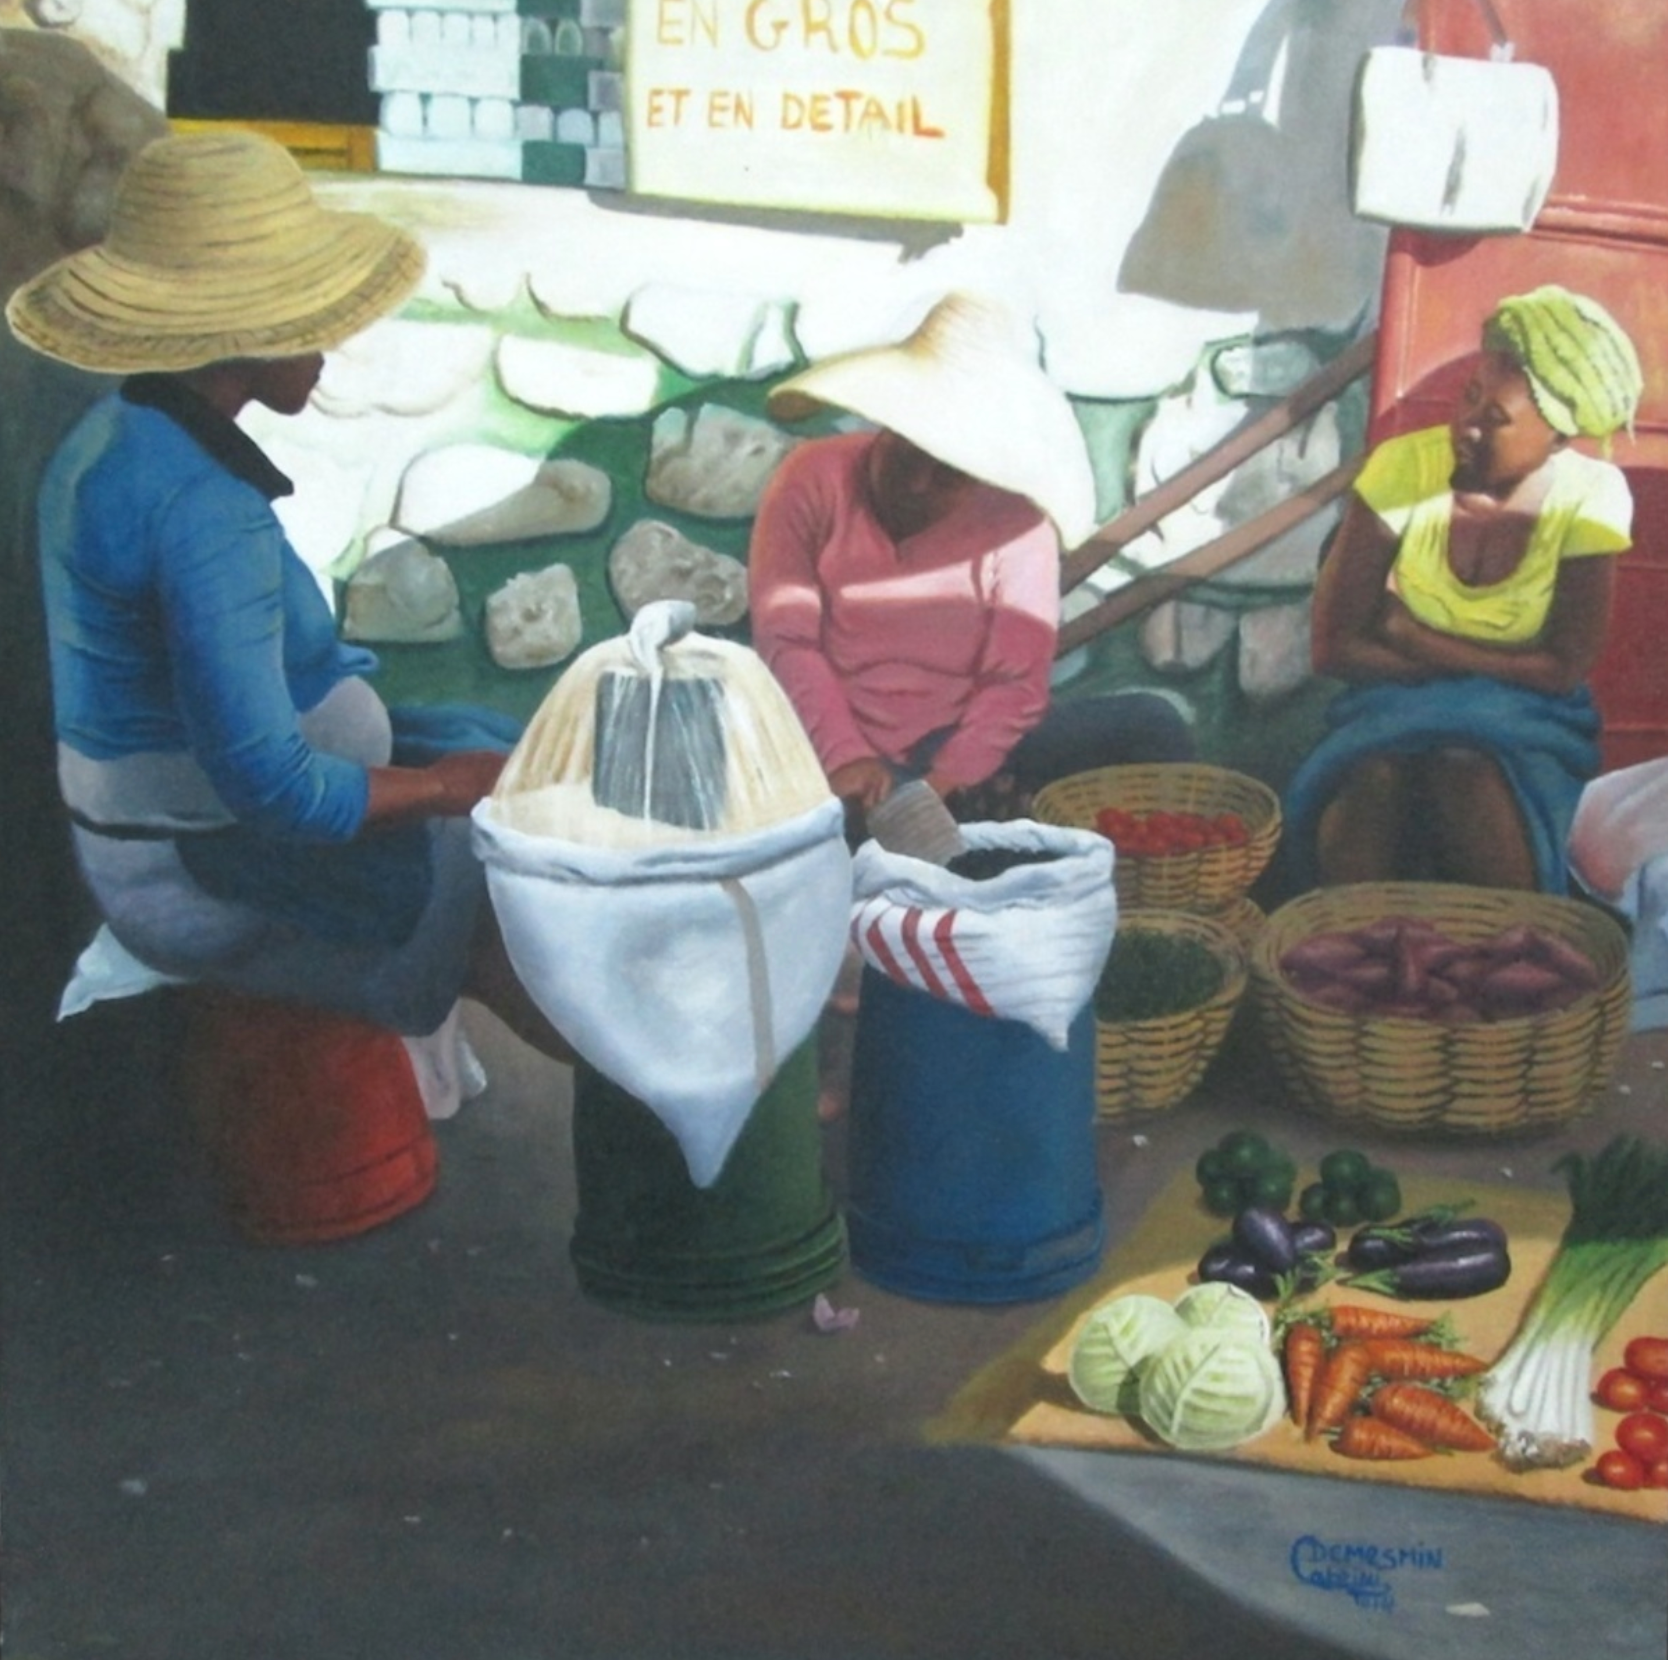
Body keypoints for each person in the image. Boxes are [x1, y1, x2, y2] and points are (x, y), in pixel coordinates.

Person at [6, 130, 570, 1061]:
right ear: (242, 334)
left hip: (185, 811)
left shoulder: (117, 436)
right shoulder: (200, 511)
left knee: (511, 747)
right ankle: (649, 1095)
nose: (327, 346)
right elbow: (274, 789)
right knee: (504, 868)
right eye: (306, 319)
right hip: (196, 859)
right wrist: (441, 789)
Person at [749, 291, 1193, 839]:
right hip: (825, 745)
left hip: (956, 751)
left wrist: (947, 779)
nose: (918, 484)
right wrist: (844, 756)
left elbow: (1015, 682)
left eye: (948, 474)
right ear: (889, 425)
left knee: (1151, 725)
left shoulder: (1018, 522)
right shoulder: (812, 476)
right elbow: (786, 639)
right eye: (908, 455)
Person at [1283, 285, 1643, 893]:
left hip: (1531, 724)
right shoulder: (1403, 467)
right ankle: (1352, 943)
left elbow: (1561, 670)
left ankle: (1505, 942)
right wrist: (1478, 673)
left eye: (1496, 419)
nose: (1466, 427)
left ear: (1558, 436)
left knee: (1465, 774)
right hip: (1389, 708)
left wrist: (1412, 636)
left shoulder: (1592, 496)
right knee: (1376, 780)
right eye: (1469, 396)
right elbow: (1335, 648)